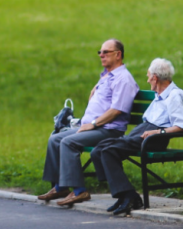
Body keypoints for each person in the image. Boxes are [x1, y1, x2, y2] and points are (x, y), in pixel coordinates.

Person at [38, 39, 139, 207]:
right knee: (54, 138)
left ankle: (79, 191)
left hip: (108, 130)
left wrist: (93, 124)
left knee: (68, 142)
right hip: (94, 126)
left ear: (118, 54)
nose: (101, 55)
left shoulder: (123, 79)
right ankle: (61, 186)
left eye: (106, 52)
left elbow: (117, 110)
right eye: (100, 52)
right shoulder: (107, 76)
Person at [90, 58, 183, 215]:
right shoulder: (160, 94)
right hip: (144, 132)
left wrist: (158, 132)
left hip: (154, 138)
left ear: (155, 78)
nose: (147, 79)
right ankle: (123, 194)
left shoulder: (174, 95)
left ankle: (130, 196)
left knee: (109, 151)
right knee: (99, 149)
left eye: (148, 76)